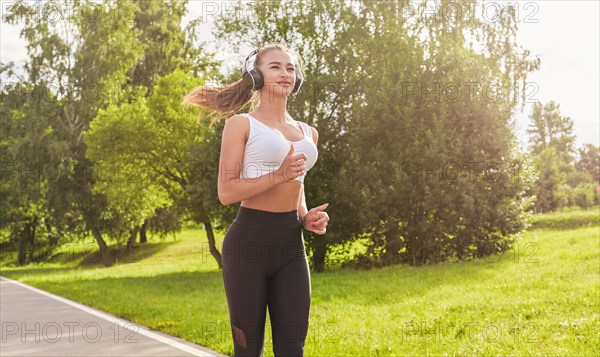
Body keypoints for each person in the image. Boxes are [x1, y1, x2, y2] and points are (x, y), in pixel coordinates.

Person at [182, 42, 330, 356]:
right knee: (248, 350)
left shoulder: (309, 133)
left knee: (293, 348)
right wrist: (278, 175)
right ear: (256, 75)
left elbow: (297, 183)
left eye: (290, 68)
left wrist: (306, 217)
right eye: (275, 66)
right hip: (248, 245)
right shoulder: (241, 125)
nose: (285, 73)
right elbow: (226, 192)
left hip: (291, 245)